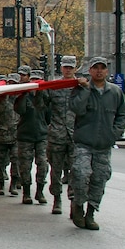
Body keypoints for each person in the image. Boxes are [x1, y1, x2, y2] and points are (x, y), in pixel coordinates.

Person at [69, 57, 125, 230]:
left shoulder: (115, 92)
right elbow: (77, 109)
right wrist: (86, 90)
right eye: (96, 68)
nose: (99, 71)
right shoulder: (80, 89)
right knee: (80, 175)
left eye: (103, 68)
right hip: (84, 143)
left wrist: (114, 133)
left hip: (103, 145)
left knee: (99, 179)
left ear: (107, 71)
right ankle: (78, 206)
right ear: (90, 71)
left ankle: (91, 213)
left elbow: (123, 114)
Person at [13, 66, 49, 205]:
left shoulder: (45, 96)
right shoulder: (22, 96)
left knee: (43, 165)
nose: (35, 83)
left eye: (37, 80)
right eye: (32, 80)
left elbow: (49, 116)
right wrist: (23, 94)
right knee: (25, 166)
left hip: (41, 136)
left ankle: (40, 191)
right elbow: (20, 110)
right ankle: (26, 193)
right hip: (25, 136)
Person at [47, 56, 78, 214]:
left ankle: (73, 200)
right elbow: (43, 106)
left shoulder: (80, 86)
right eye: (65, 67)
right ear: (61, 68)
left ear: (75, 68)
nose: (68, 70)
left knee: (75, 170)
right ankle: (57, 199)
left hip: (75, 136)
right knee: (56, 170)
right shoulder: (54, 86)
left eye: (70, 67)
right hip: (57, 135)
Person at [0, 74, 21, 197]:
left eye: (14, 83)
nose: (11, 85)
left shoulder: (20, 98)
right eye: (10, 83)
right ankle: (1, 184)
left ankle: (13, 183)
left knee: (16, 161)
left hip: (16, 135)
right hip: (0, 134)